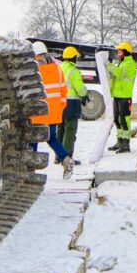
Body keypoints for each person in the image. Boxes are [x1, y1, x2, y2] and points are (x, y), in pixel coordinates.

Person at [28, 42, 68, 167]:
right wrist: (59, 109)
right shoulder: (58, 69)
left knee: (33, 139)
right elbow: (63, 92)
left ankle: (31, 167)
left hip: (37, 113)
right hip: (53, 113)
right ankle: (66, 159)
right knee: (51, 138)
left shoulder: (33, 70)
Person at [56, 46, 87, 179]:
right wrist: (85, 95)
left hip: (59, 102)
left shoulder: (59, 68)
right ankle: (67, 156)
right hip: (71, 102)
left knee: (60, 128)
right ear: (73, 57)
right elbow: (79, 87)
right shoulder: (74, 71)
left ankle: (58, 155)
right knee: (70, 129)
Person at [106, 40, 137, 153]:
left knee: (124, 120)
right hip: (117, 95)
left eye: (120, 52)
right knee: (117, 119)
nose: (118, 54)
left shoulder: (129, 64)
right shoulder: (122, 63)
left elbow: (119, 73)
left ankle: (126, 144)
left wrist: (108, 64)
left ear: (125, 52)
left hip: (125, 96)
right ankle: (119, 141)